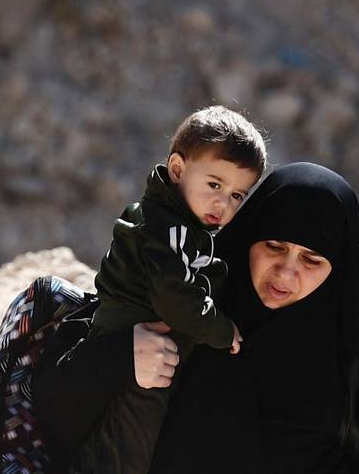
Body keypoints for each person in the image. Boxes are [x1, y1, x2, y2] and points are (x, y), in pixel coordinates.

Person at [33, 162, 359, 473]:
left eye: (311, 260)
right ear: (248, 238)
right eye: (274, 247)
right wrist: (120, 356)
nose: (286, 273)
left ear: (338, 268)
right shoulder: (184, 305)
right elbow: (52, 415)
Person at [70, 105, 266, 473]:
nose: (223, 203)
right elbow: (176, 301)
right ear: (177, 169)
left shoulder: (177, 222)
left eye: (237, 195)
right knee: (129, 450)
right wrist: (222, 330)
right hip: (137, 357)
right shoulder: (169, 228)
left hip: (133, 348)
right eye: (215, 185)